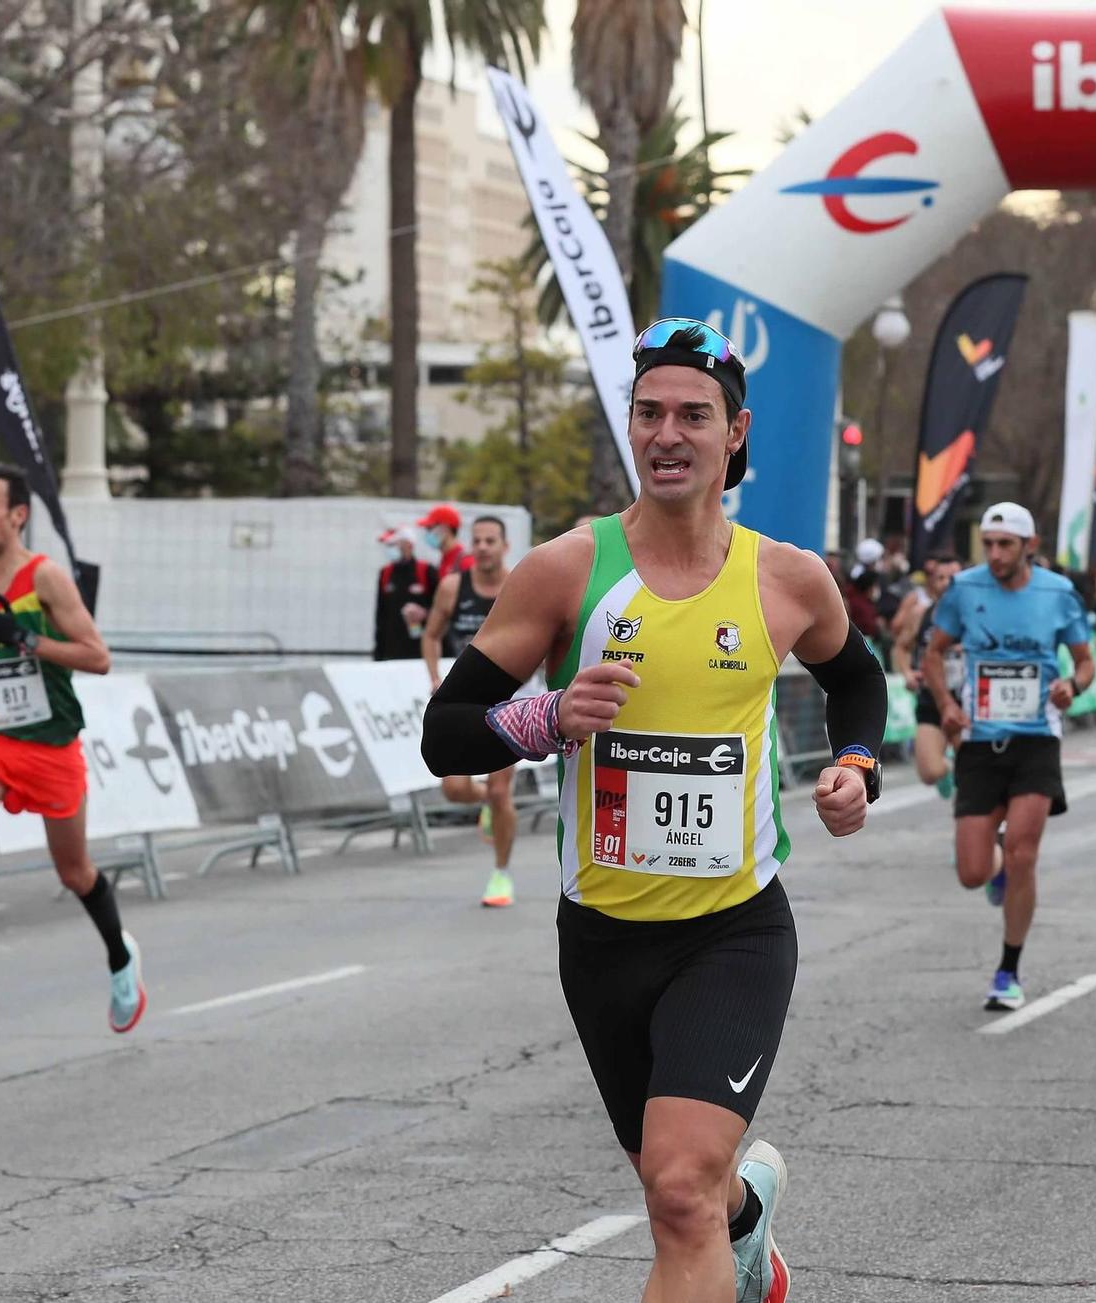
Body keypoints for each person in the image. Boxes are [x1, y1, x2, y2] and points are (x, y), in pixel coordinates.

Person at [421, 318, 884, 1303]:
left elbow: (858, 681)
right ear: (630, 426)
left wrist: (854, 763)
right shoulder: (563, 570)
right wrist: (543, 715)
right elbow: (444, 732)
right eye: (648, 412)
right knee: (683, 1190)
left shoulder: (787, 576)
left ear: (734, 432)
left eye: (692, 414)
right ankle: (747, 1225)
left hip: (732, 932)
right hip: (601, 938)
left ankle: (727, 1217)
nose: (667, 432)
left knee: (677, 1192)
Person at [0, 464, 143, 1033]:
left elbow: (97, 656)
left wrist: (32, 641)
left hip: (51, 745)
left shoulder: (47, 579)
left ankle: (121, 959)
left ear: (18, 515)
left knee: (74, 872)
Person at [923, 503, 1095, 1013]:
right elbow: (934, 654)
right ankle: (993, 867)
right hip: (979, 742)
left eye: (1005, 544)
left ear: (1029, 546)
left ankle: (1008, 970)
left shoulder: (1058, 594)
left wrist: (1072, 686)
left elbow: (1085, 663)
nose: (995, 554)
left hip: (1036, 738)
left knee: (1025, 853)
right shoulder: (965, 589)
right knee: (972, 873)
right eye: (988, 544)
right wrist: (948, 705)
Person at [423, 515, 518, 908]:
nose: (482, 547)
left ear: (504, 546)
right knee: (453, 788)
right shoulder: (451, 587)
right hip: (462, 699)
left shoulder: (519, 585)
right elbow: (431, 635)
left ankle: (500, 875)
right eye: (476, 540)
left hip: (508, 700)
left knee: (500, 791)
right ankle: (487, 806)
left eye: (490, 540)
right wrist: (434, 677)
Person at [890, 551, 963, 797]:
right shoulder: (922, 613)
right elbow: (901, 646)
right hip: (931, 699)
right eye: (940, 578)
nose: (945, 584)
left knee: (975, 779)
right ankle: (948, 767)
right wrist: (908, 673)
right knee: (929, 772)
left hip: (968, 702)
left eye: (952, 578)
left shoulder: (978, 614)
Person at [374, 528, 437, 661]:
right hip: (390, 651)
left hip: (421, 651)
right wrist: (378, 655)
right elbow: (380, 616)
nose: (389, 549)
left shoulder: (425, 571)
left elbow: (442, 610)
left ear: (408, 544)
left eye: (392, 545)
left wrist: (424, 613)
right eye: (387, 546)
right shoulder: (385, 573)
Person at [416, 503, 473, 579]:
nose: (427, 533)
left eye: (429, 528)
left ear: (445, 528)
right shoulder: (446, 558)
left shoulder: (465, 562)